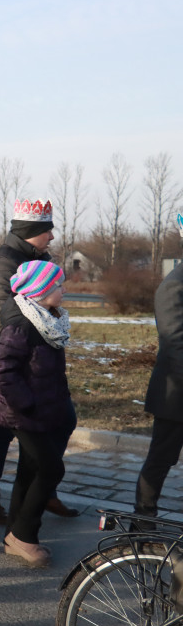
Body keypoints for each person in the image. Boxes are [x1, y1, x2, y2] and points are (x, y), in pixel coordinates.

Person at [0, 199, 78, 523]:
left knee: (57, 425)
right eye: (46, 229)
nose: (51, 235)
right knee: (2, 431)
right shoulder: (3, 262)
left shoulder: (41, 257)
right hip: (14, 364)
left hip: (39, 362)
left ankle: (43, 492)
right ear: (31, 231)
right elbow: (7, 314)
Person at [0, 260, 73, 567]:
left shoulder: (47, 319)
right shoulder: (22, 324)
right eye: (58, 286)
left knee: (29, 469)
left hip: (42, 411)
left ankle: (14, 534)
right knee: (51, 470)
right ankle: (24, 535)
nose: (64, 290)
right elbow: (1, 370)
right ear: (40, 290)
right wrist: (28, 404)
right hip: (24, 413)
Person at [136, 214, 183, 521]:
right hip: (175, 392)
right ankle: (142, 522)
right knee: (160, 459)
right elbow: (175, 343)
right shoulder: (174, 285)